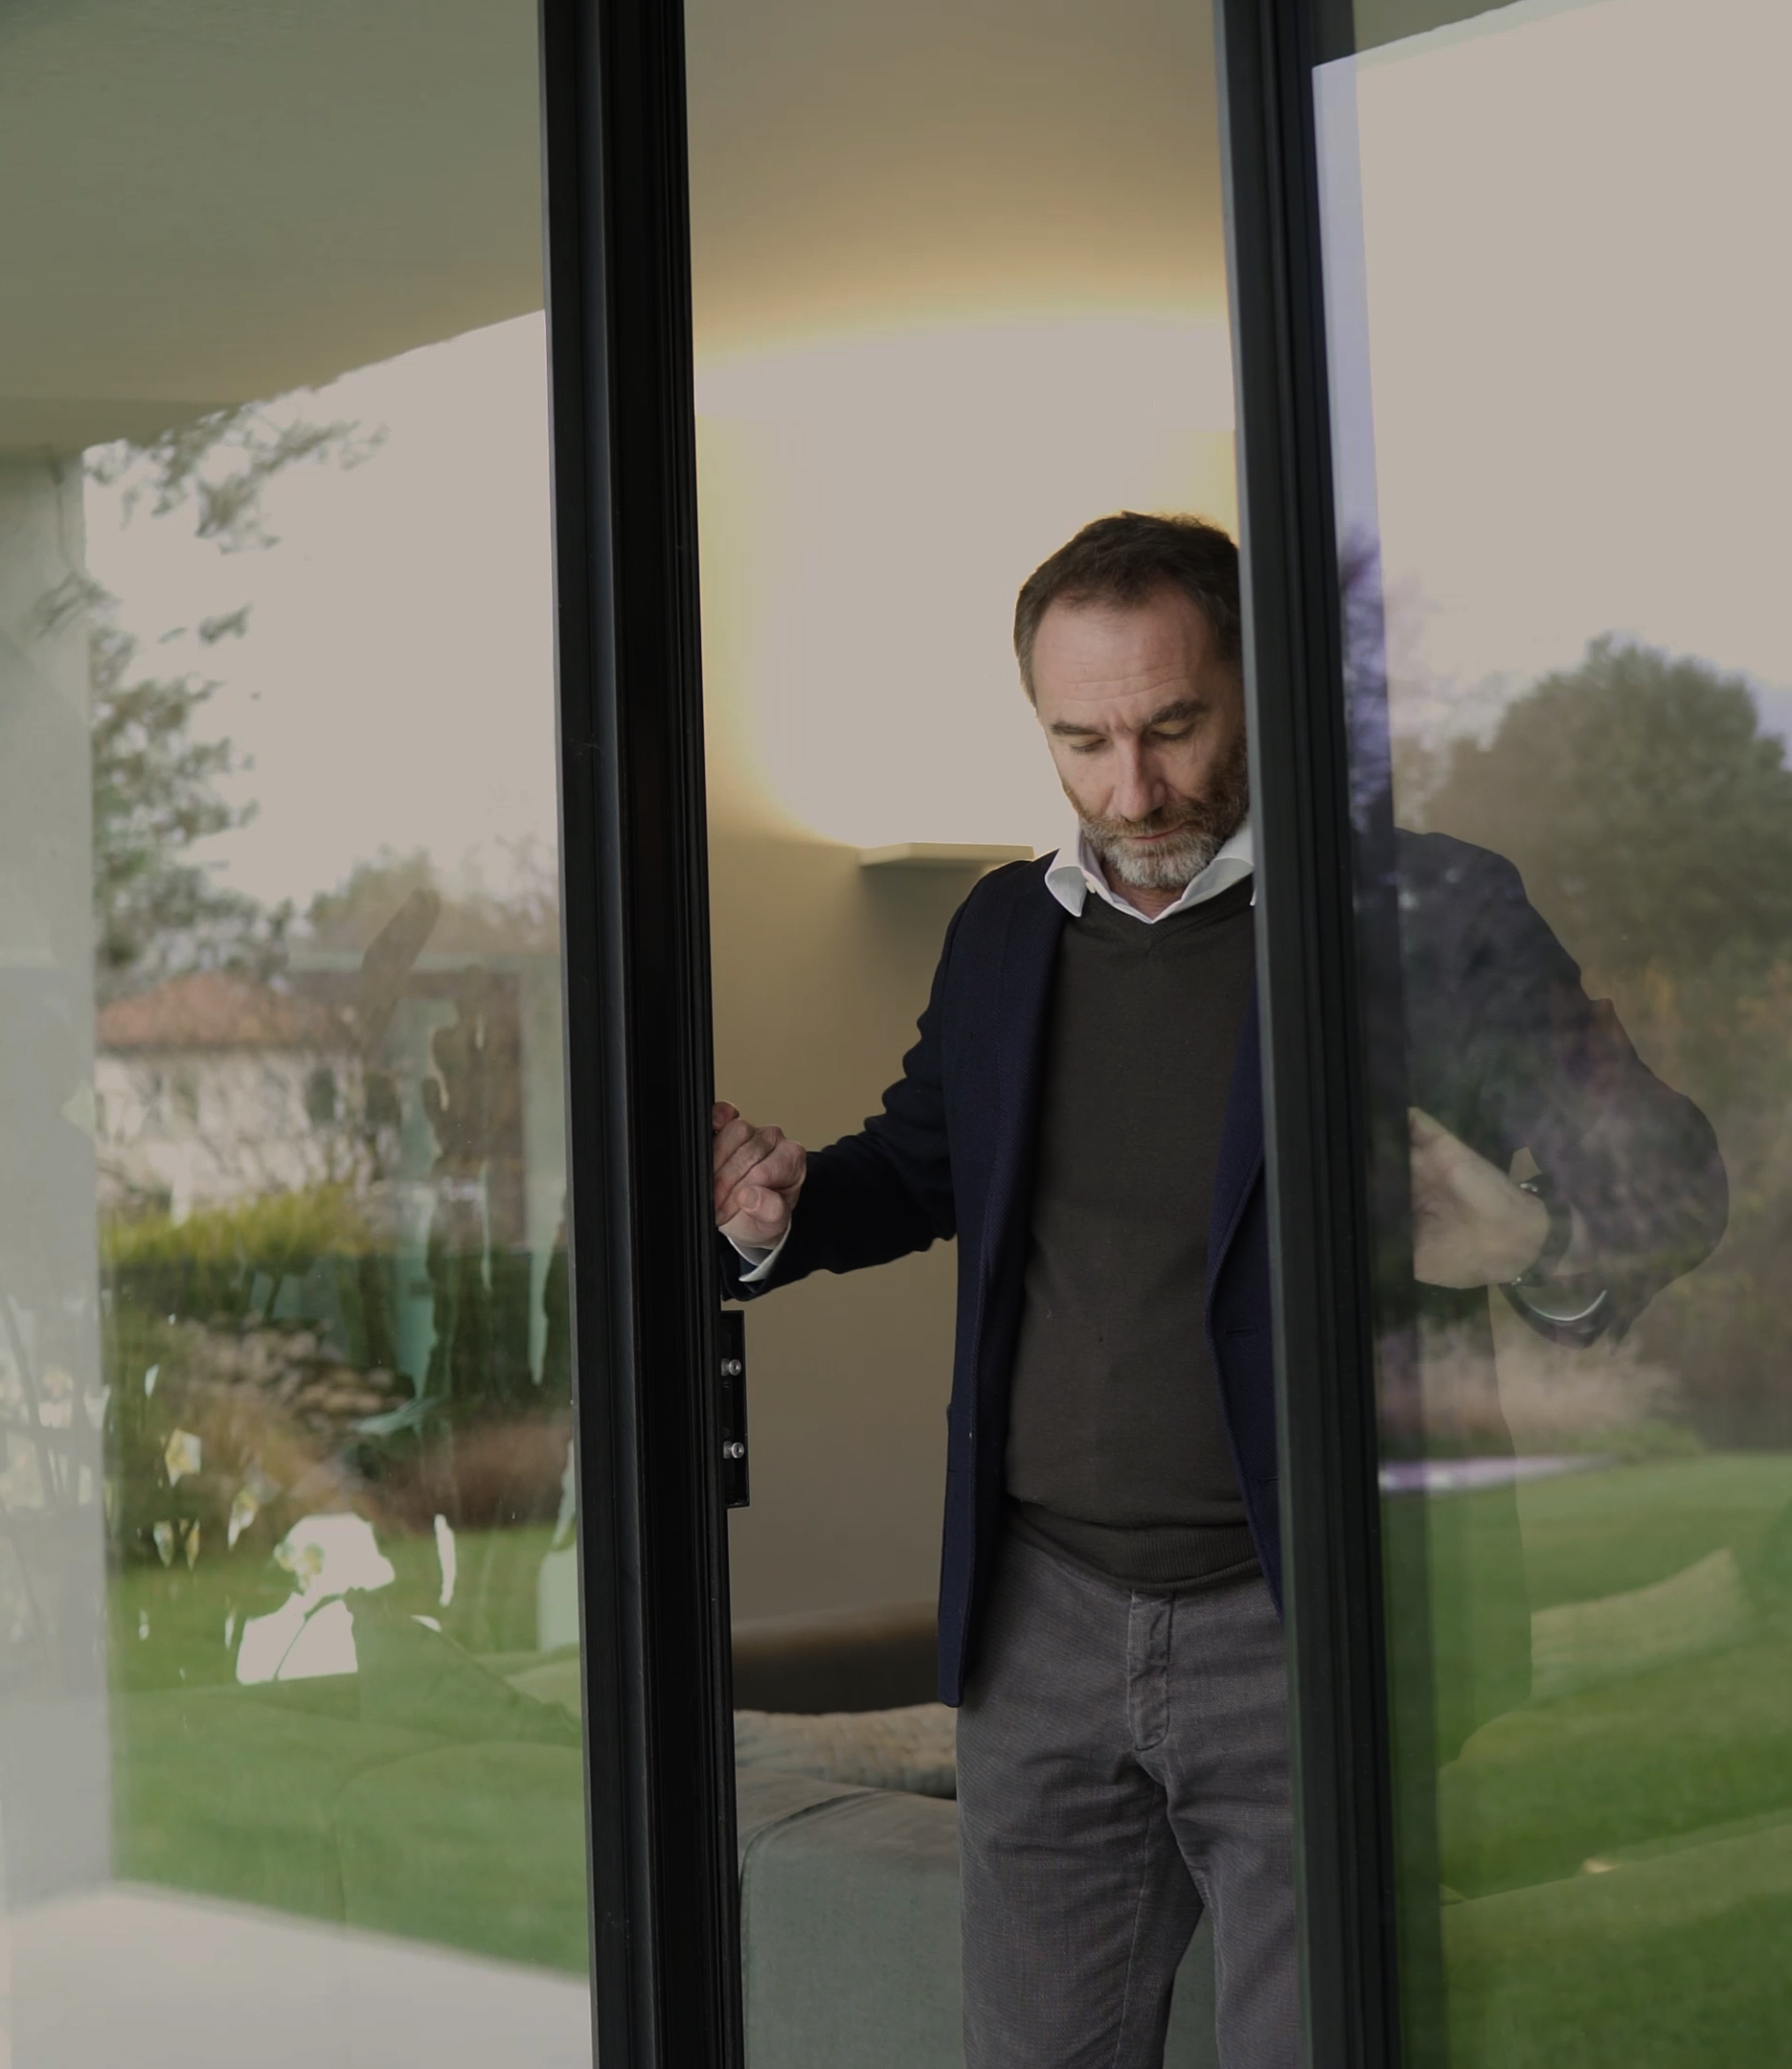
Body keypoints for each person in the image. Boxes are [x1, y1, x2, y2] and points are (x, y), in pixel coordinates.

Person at [707, 512, 1725, 2067]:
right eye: (1084, 741)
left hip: (1309, 1630)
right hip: (1038, 1629)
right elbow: (921, 1167)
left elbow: (1673, 1177)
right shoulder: (1003, 934)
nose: (1134, 791)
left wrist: (1531, 1241)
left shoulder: (1427, 921)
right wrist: (775, 1220)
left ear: (1261, 691)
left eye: (1175, 727)